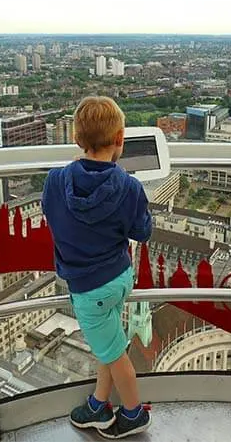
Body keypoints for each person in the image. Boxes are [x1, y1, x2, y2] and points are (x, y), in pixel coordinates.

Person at [42, 96, 153, 438]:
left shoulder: (56, 181)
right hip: (118, 277)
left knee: (114, 352)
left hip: (89, 288)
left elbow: (50, 213)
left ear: (77, 140)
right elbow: (142, 231)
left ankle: (134, 414)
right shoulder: (130, 187)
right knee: (111, 344)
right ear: (120, 139)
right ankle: (98, 403)